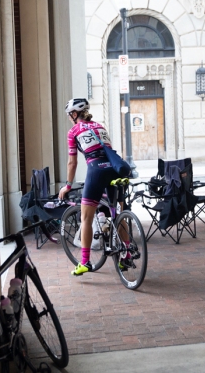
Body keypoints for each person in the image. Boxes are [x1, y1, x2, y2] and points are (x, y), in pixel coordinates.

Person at [58, 98, 129, 276]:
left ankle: (85, 262)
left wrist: (67, 185)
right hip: (115, 169)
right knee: (118, 215)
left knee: (86, 218)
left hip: (96, 170)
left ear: (74, 114)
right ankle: (127, 254)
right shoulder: (100, 127)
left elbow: (72, 163)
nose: (69, 118)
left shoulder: (73, 131)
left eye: (69, 115)